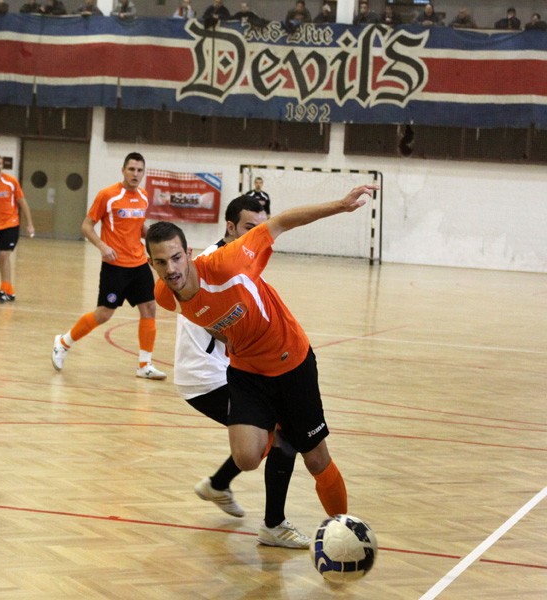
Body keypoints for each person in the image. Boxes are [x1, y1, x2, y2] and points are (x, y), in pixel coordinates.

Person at [145, 183, 378, 519]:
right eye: (161, 262)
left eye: (176, 258)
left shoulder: (229, 262)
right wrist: (227, 337)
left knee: (316, 459)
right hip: (246, 371)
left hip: (290, 360)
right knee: (246, 457)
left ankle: (343, 528)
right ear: (151, 263)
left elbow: (281, 222)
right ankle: (249, 500)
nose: (171, 269)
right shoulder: (166, 295)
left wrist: (341, 205)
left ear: (189, 253)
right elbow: (204, 316)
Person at [176, 196, 309, 548]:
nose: (257, 235)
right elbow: (215, 325)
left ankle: (218, 485)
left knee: (269, 435)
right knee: (282, 432)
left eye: (260, 228)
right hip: (207, 377)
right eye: (250, 228)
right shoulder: (212, 265)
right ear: (230, 227)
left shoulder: (237, 256)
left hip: (224, 370)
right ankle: (273, 524)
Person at [51, 152, 166, 380]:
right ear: (123, 170)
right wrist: (102, 246)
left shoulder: (143, 196)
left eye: (139, 170)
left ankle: (145, 365)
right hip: (115, 266)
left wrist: (158, 239)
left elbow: (139, 228)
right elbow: (86, 226)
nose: (135, 174)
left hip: (139, 264)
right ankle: (63, 343)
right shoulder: (108, 195)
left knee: (149, 308)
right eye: (131, 169)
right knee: (104, 314)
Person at [0, 153, 35, 303]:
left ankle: (3, 291)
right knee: (1, 259)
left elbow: (22, 202)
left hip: (11, 224)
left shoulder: (11, 182)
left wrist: (29, 223)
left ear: (2, 166)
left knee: (4, 255)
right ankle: (9, 291)